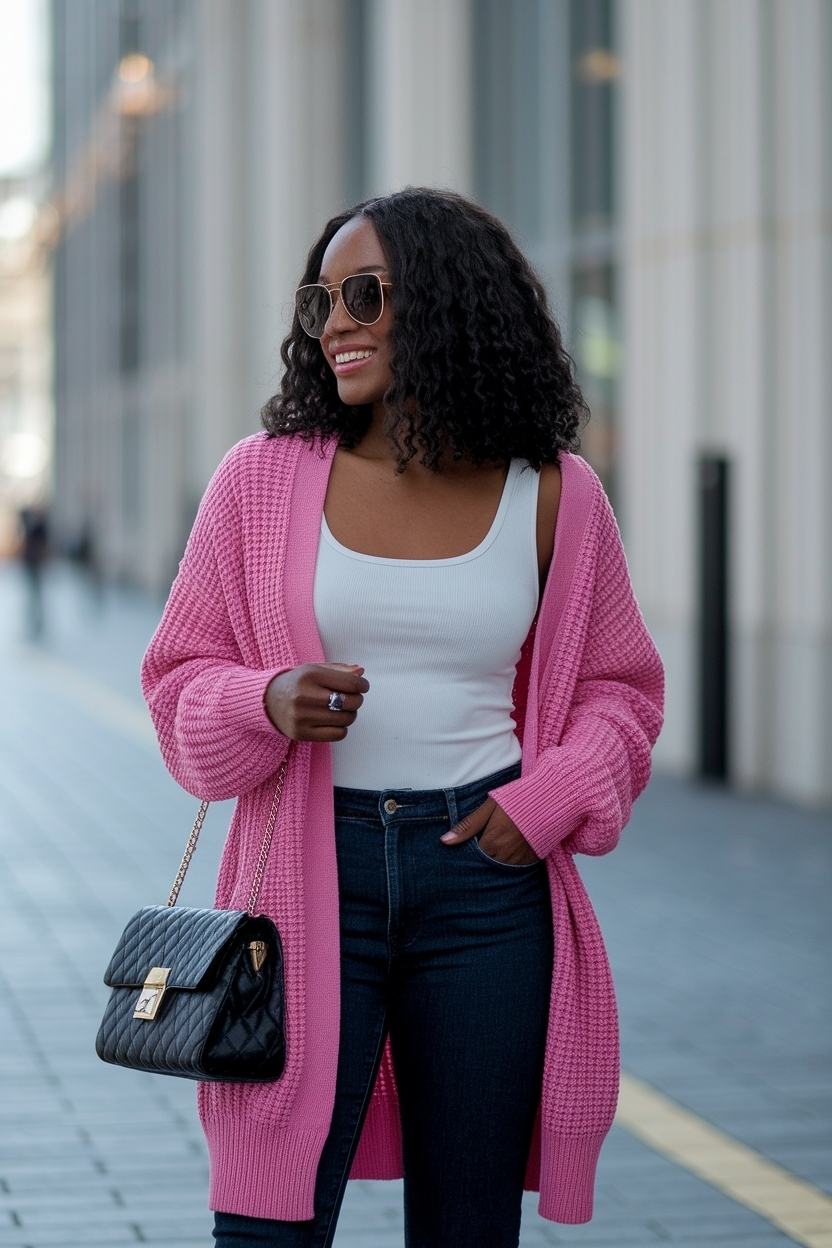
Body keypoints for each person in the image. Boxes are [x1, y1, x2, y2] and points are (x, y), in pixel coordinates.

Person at [142, 188, 664, 1248]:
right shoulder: (259, 481)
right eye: (322, 301)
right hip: (299, 881)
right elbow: (176, 681)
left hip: (484, 883)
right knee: (265, 1225)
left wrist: (549, 800)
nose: (335, 323)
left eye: (366, 296)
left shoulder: (554, 491)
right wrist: (264, 699)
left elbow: (622, 692)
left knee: (468, 1229)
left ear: (449, 305)